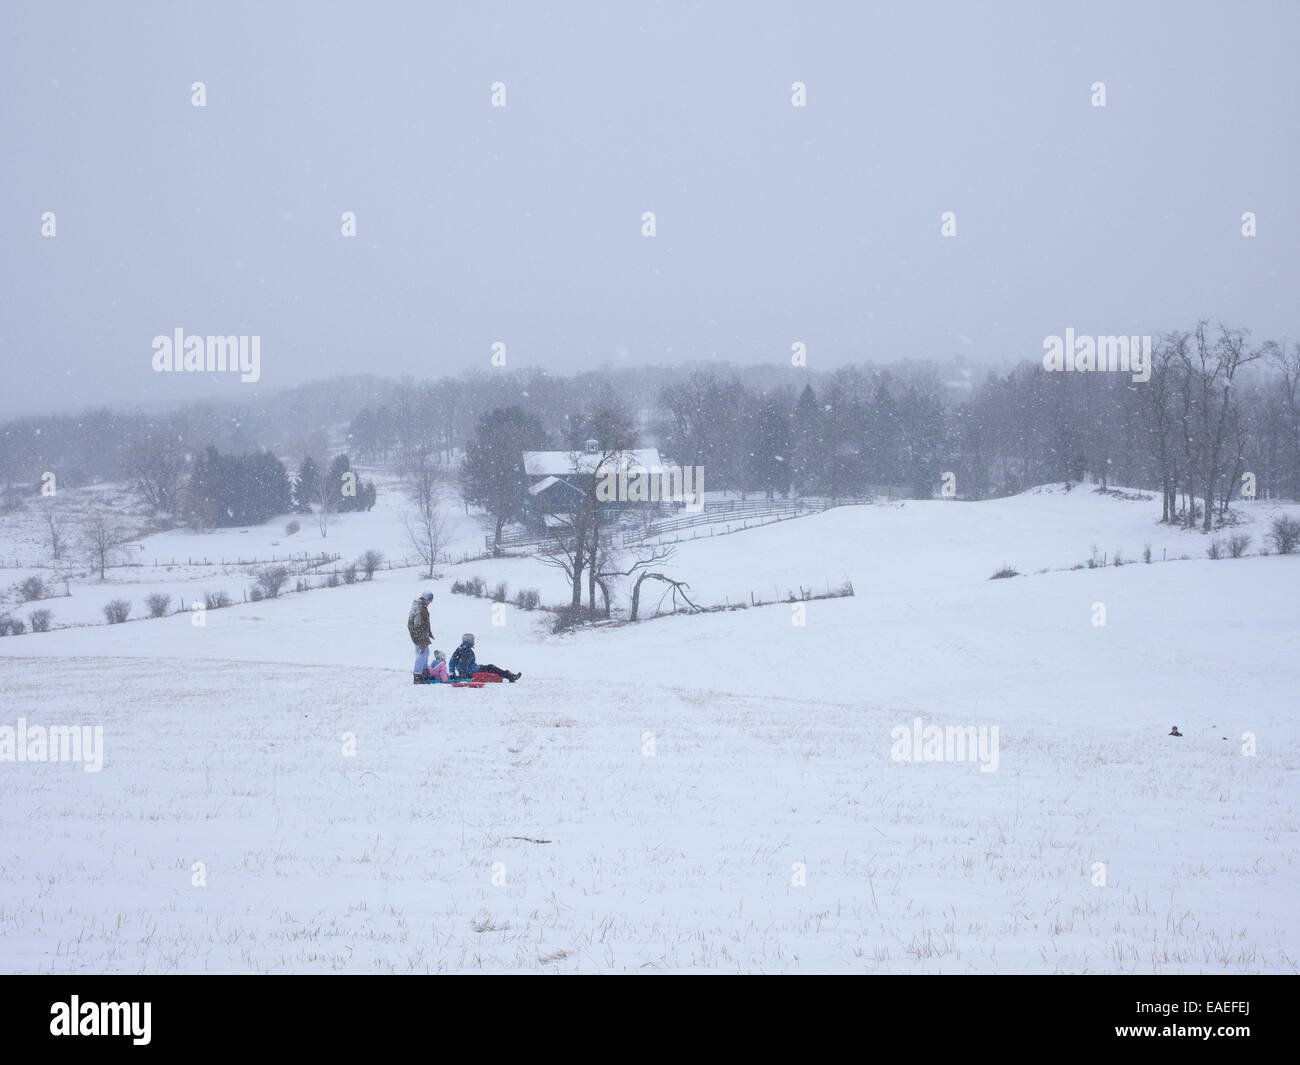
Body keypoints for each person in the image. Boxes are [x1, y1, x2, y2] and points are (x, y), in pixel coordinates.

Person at [449, 633, 520, 683]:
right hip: (472, 672)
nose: (474, 642)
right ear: (470, 641)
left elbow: (451, 662)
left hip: (473, 669)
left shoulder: (459, 649)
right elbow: (463, 664)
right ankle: (510, 676)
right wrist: (463, 676)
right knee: (491, 667)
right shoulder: (466, 651)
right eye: (473, 640)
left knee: (487, 667)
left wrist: (452, 674)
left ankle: (508, 675)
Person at [407, 591, 435, 685]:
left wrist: (428, 633)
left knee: (426, 653)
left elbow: (424, 623)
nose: (430, 602)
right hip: (419, 637)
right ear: (425, 599)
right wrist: (421, 640)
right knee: (421, 655)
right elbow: (417, 625)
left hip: (423, 635)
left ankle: (424, 674)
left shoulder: (421, 607)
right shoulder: (419, 609)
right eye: (429, 600)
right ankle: (417, 677)